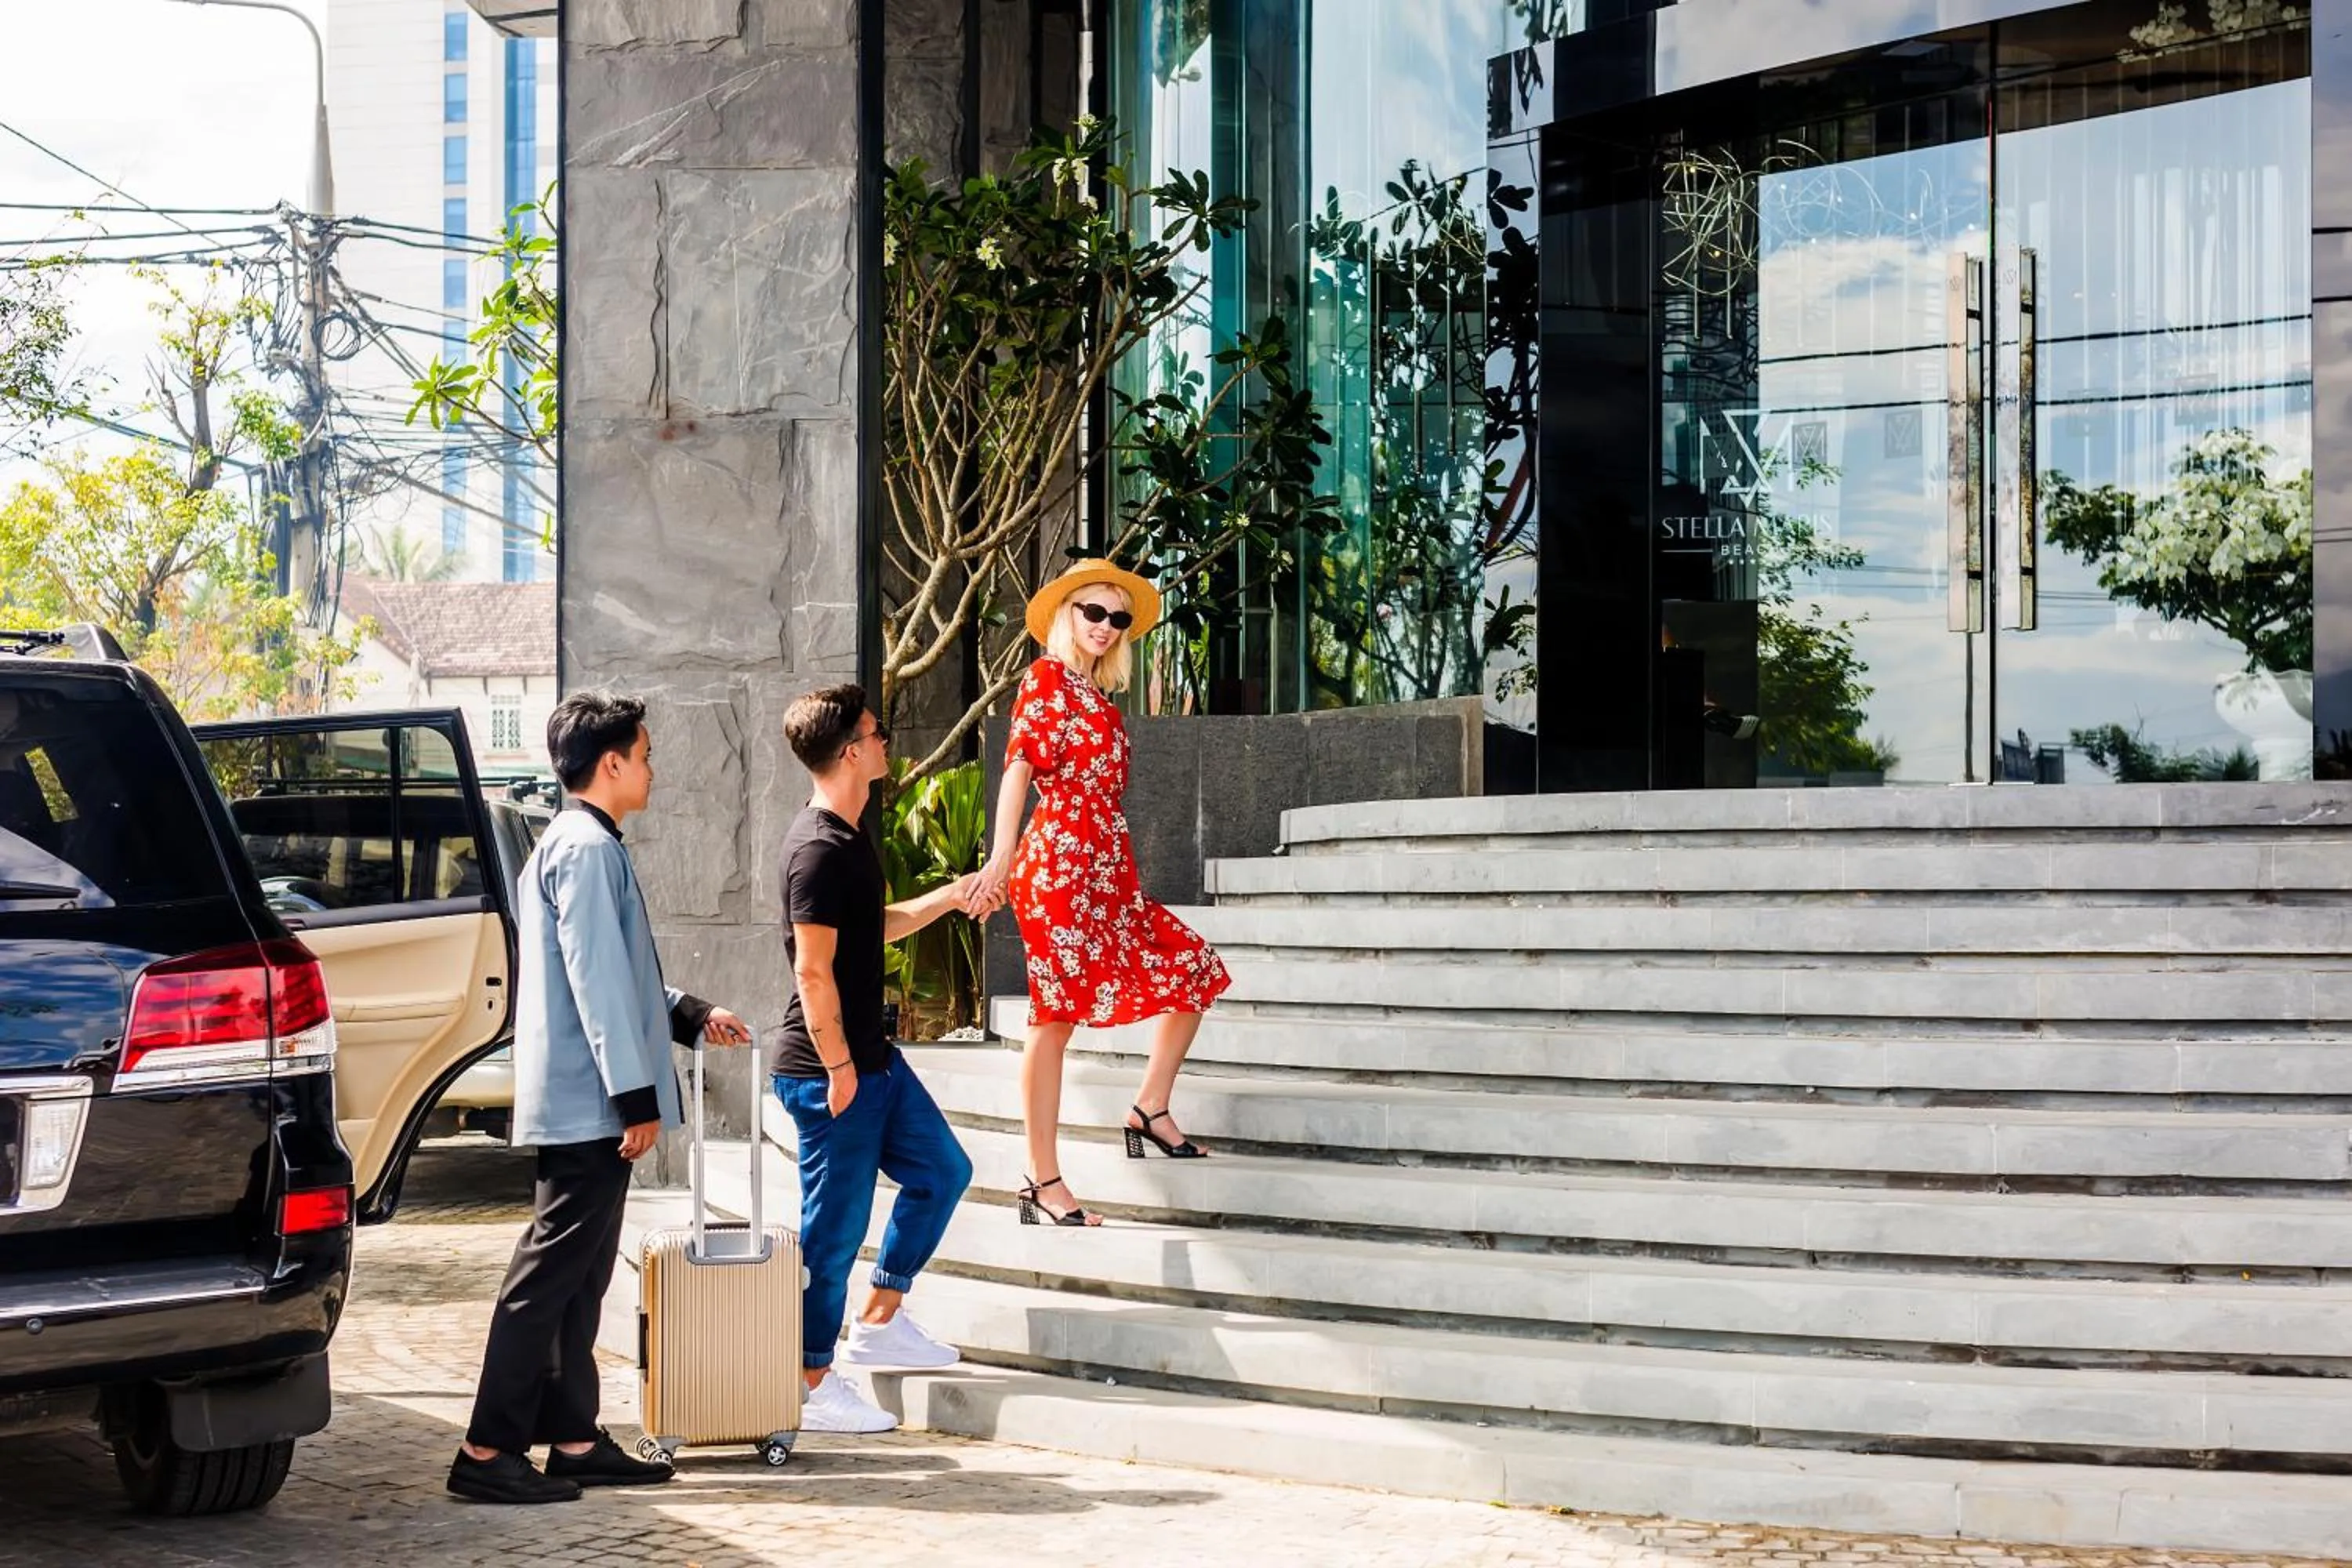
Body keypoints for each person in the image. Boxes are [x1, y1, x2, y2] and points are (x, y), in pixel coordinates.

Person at [451, 691, 754, 1506]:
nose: (652, 768)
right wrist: (633, 1097)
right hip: (589, 1100)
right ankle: (487, 1447)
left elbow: (617, 971)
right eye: (645, 754)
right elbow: (595, 981)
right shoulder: (583, 846)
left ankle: (574, 1436)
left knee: (576, 1277)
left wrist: (689, 1013)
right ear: (611, 761)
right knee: (549, 1275)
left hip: (589, 1097)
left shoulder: (583, 843)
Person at [971, 560, 1231, 1228]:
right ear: (1067, 616)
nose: (1107, 627)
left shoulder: (1098, 699)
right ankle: (1041, 1179)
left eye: (1118, 619)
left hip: (1109, 872)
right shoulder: (1045, 680)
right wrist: (1001, 859)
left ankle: (1150, 1109)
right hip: (1057, 866)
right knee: (1053, 1019)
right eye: (1094, 613)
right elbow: (1018, 770)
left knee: (1193, 967)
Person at [772, 683, 980, 1434]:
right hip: (828, 1069)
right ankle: (807, 1378)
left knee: (943, 1172)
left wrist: (950, 898)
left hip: (874, 1061)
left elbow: (868, 930)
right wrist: (837, 1070)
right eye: (876, 730)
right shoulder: (818, 852)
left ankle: (880, 1319)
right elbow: (812, 970)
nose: (887, 740)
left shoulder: (852, 835)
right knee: (832, 1231)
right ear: (852, 751)